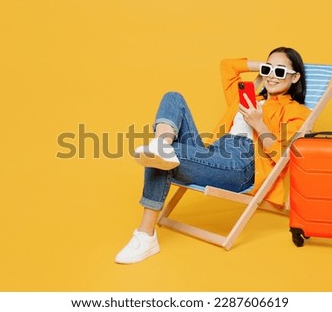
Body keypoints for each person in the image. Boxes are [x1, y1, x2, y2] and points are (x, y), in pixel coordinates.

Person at [115, 47, 311, 264]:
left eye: (281, 72)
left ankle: (145, 235)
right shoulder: (248, 97)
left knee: (160, 155)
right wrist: (265, 69)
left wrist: (258, 123)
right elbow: (227, 65)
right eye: (268, 68)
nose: (272, 75)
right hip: (215, 153)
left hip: (241, 165)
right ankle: (162, 144)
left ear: (295, 77)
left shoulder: (297, 112)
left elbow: (283, 156)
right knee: (173, 98)